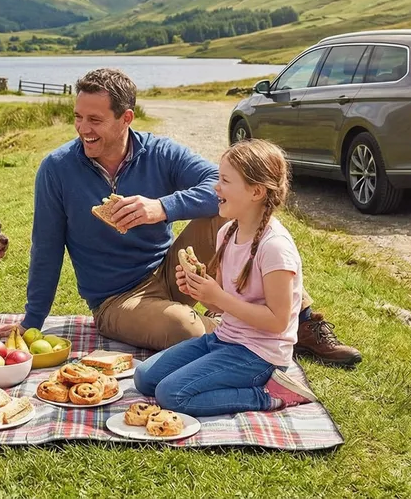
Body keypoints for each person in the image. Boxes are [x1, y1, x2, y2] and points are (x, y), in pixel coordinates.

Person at [18, 68, 360, 365]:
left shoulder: (160, 152)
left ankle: (301, 321)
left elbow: (220, 184)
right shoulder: (57, 169)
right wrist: (31, 322)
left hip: (175, 270)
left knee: (234, 211)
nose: (83, 129)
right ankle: (252, 330)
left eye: (95, 120)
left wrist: (161, 208)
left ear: (126, 118)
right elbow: (46, 248)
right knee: (185, 328)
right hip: (119, 300)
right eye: (78, 117)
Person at [132, 139, 317, 416]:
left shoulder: (275, 248)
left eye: (225, 181)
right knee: (144, 378)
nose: (216, 187)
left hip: (259, 355)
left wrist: (219, 298)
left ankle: (270, 395)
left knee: (171, 394)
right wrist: (200, 291)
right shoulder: (227, 232)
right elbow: (221, 305)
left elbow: (278, 322)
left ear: (256, 191)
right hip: (223, 338)